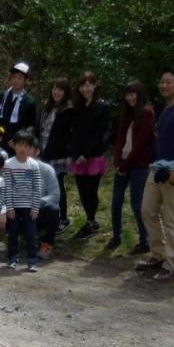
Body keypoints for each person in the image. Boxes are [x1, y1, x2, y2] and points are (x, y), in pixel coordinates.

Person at [136, 67, 174, 283]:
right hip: (158, 169)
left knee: (173, 219)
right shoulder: (167, 109)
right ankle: (158, 255)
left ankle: (171, 265)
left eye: (168, 82)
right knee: (147, 211)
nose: (163, 85)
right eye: (162, 81)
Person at [107, 80, 155, 253]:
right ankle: (116, 236)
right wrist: (117, 160)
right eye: (127, 94)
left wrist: (125, 165)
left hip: (139, 165)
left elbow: (141, 143)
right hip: (123, 164)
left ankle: (145, 241)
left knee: (137, 204)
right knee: (116, 202)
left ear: (140, 94)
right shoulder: (127, 113)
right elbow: (120, 139)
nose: (129, 97)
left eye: (133, 93)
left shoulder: (147, 112)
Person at [69, 71, 111, 239]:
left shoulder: (102, 107)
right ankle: (89, 220)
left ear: (94, 86)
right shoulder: (77, 107)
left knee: (91, 190)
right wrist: (76, 153)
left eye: (89, 85)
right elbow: (74, 133)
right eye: (82, 85)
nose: (86, 89)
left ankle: (91, 221)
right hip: (78, 156)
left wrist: (86, 154)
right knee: (82, 191)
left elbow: (100, 134)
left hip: (93, 156)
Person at [4, 130, 43, 271]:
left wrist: (35, 208)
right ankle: (12, 258)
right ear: (14, 146)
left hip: (29, 207)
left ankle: (32, 260)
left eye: (26, 146)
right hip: (14, 207)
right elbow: (7, 187)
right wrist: (9, 207)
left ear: (31, 148)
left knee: (31, 234)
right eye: (19, 145)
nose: (22, 149)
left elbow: (36, 188)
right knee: (13, 233)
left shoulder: (34, 165)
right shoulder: (9, 164)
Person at [38, 77, 74, 229]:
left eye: (60, 89)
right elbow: (41, 129)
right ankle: (45, 216)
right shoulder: (47, 106)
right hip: (43, 152)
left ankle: (62, 217)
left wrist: (50, 152)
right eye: (54, 88)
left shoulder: (68, 110)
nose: (56, 92)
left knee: (57, 187)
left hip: (57, 156)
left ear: (65, 92)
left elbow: (65, 136)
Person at [0, 62, 38, 154]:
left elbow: (30, 126)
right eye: (13, 77)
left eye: (19, 78)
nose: (15, 80)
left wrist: (20, 139)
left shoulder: (29, 101)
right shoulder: (2, 96)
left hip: (16, 145)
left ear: (25, 81)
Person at [33, 142, 62, 261]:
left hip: (39, 211)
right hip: (21, 211)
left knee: (53, 209)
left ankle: (47, 244)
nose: (23, 151)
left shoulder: (47, 169)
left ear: (37, 151)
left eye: (28, 148)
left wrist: (36, 202)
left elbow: (55, 195)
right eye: (20, 147)